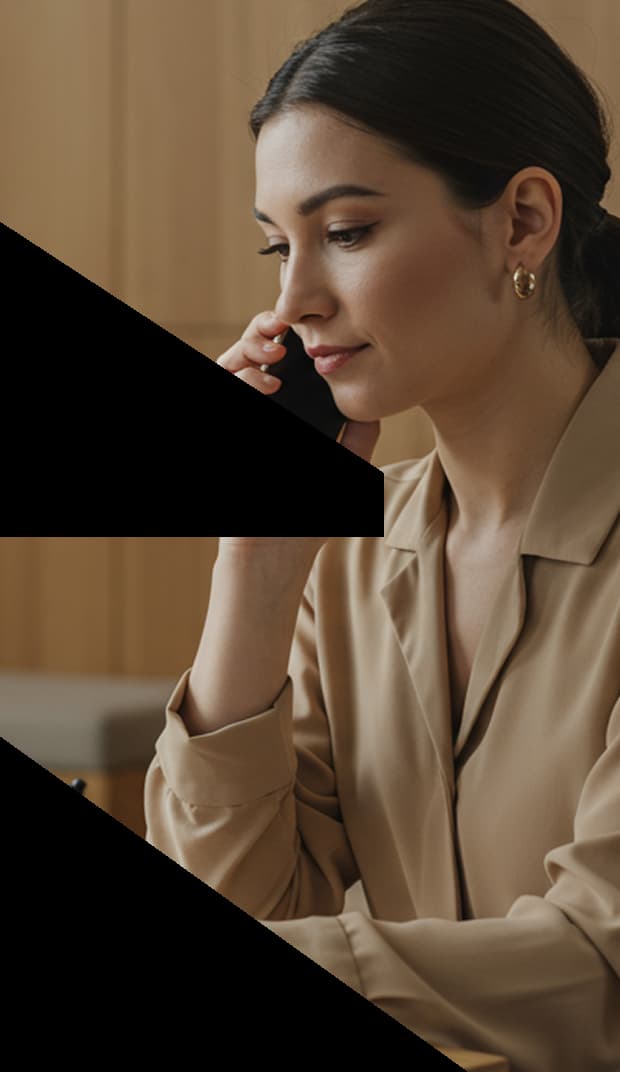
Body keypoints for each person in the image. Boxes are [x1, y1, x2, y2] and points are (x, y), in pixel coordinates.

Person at [144, 2, 620, 1069]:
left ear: (523, 221)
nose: (294, 299)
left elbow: (597, 966)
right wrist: (256, 571)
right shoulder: (351, 554)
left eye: (345, 232)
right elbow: (251, 895)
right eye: (277, 246)